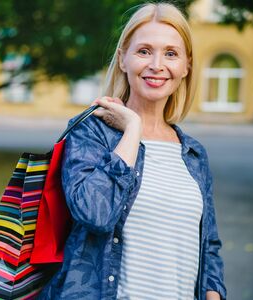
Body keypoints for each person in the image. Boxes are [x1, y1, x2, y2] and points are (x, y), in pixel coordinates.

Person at [38, 2, 226, 300]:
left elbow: (209, 246)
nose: (156, 64)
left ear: (186, 65)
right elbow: (95, 214)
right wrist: (133, 129)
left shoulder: (193, 154)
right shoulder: (91, 133)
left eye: (171, 53)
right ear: (123, 59)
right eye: (144, 51)